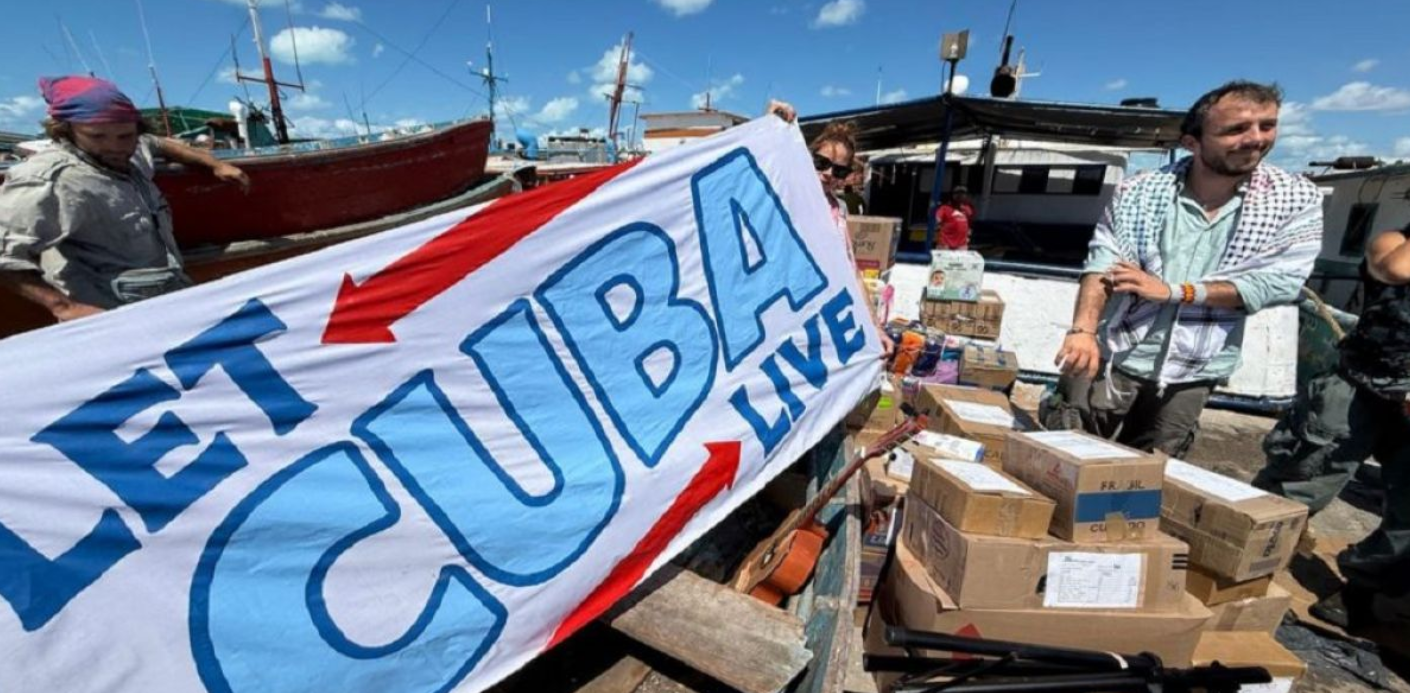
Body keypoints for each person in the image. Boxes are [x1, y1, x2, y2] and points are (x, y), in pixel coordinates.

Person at [1049, 80, 1322, 457]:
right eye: (1236, 129)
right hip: (1116, 351)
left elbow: (1280, 283)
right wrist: (1083, 330)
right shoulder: (1140, 190)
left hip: (1196, 366)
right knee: (1064, 448)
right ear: (1192, 142)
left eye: (1267, 125)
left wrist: (1176, 292)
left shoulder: (1294, 199)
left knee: (1151, 469)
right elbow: (1103, 260)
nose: (1255, 139)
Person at [1253, 223, 1410, 629]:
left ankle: (1361, 587)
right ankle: (1242, 559)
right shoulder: (1393, 243)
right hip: (1359, 387)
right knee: (1300, 481)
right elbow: (1395, 269)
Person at [0, 75, 250, 322]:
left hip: (167, 294)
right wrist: (64, 307)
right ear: (67, 131)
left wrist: (214, 163)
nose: (114, 147)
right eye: (97, 136)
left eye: (125, 136)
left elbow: (157, 143)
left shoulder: (131, 152)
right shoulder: (49, 180)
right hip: (108, 314)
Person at [765, 99, 892, 358]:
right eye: (821, 163)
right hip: (775, 317)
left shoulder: (839, 209)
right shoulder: (785, 191)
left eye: (840, 171)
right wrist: (770, 126)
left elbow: (851, 272)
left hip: (814, 322)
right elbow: (760, 169)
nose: (828, 173)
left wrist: (875, 327)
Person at [935, 186, 974, 250]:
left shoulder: (968, 209)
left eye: (963, 193)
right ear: (952, 195)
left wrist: (968, 233)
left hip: (961, 245)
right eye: (957, 193)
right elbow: (937, 219)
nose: (960, 196)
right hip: (945, 244)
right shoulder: (944, 208)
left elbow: (969, 222)